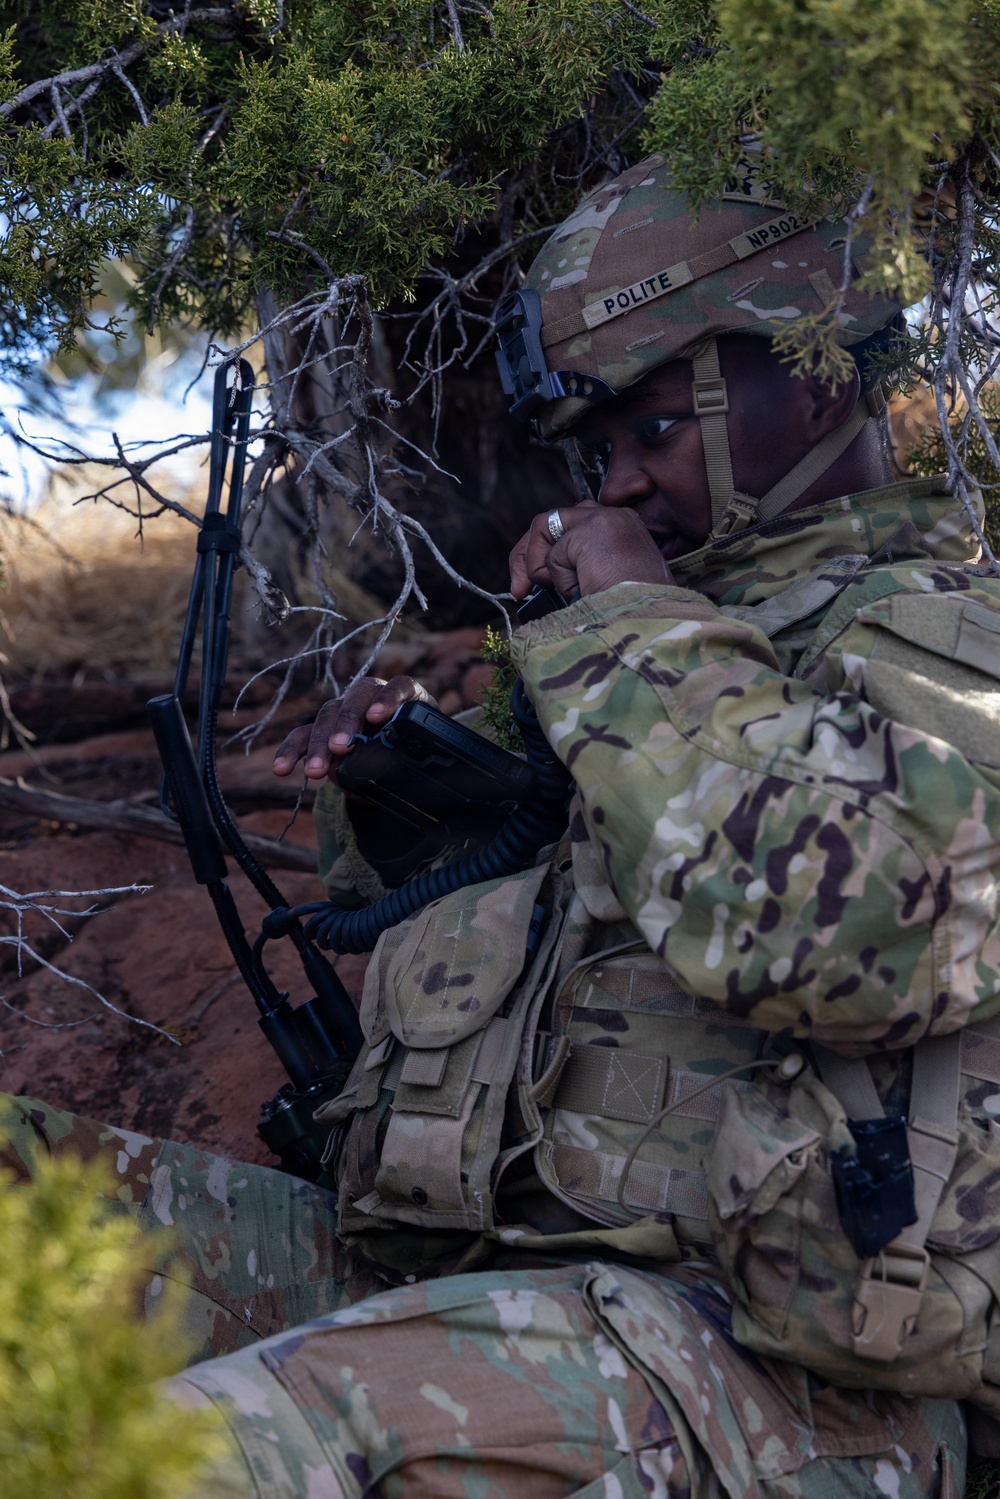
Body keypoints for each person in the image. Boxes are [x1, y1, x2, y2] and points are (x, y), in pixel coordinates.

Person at [5, 153, 1000, 1497]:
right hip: (490, 1283)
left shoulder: (946, 641)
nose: (621, 486)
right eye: (597, 452)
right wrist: (416, 797)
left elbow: (841, 935)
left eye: (650, 429)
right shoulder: (675, 646)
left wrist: (623, 629)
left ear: (813, 370)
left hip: (797, 1390)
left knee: (190, 1457)